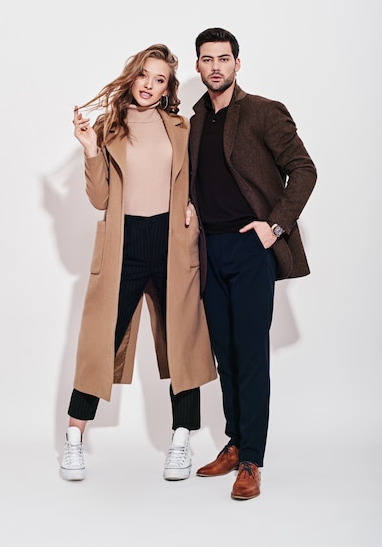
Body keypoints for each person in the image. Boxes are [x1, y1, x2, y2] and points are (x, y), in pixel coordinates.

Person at [60, 44, 216, 482]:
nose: (150, 84)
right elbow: (100, 199)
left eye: (160, 79)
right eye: (145, 75)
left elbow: (200, 179)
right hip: (123, 244)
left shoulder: (180, 128)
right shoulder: (110, 127)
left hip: (171, 242)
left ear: (168, 90)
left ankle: (181, 440)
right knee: (100, 340)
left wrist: (194, 211)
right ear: (133, 76)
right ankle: (73, 440)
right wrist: (90, 148)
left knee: (181, 342)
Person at [188, 27, 317, 500]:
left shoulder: (264, 111)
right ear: (198, 66)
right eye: (207, 59)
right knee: (225, 354)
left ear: (237, 64)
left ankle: (252, 460)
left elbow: (304, 169)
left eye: (224, 58)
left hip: (249, 249)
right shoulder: (195, 119)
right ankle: (234, 439)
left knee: (250, 354)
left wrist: (274, 225)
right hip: (208, 251)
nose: (216, 66)